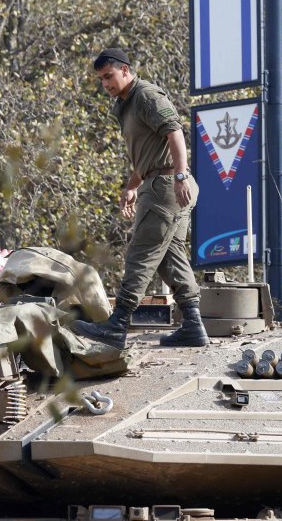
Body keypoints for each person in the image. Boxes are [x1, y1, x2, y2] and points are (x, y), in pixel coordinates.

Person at [71, 48, 207, 349]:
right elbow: (148, 157)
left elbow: (175, 132)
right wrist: (131, 186)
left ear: (125, 70)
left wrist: (181, 175)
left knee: (141, 254)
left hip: (165, 187)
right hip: (159, 182)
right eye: (101, 79)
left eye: (109, 76)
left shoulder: (145, 95)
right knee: (169, 258)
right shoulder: (127, 104)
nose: (105, 83)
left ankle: (117, 324)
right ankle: (194, 325)